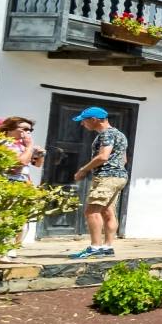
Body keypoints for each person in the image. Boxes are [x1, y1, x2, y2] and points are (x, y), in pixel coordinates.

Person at [69, 107, 128, 259]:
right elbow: (124, 160)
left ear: (94, 120)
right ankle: (107, 247)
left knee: (91, 211)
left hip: (106, 177)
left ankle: (95, 247)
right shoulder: (120, 134)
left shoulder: (106, 134)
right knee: (107, 211)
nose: (82, 124)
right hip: (119, 176)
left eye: (84, 121)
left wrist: (83, 170)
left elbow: (103, 157)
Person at [0, 116, 45, 250]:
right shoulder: (4, 144)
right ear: (10, 128)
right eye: (25, 129)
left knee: (21, 218)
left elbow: (36, 164)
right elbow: (20, 163)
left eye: (31, 130)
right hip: (9, 183)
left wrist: (39, 155)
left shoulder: (22, 145)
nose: (28, 132)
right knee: (6, 218)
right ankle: (2, 250)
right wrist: (29, 147)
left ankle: (12, 249)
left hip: (23, 183)